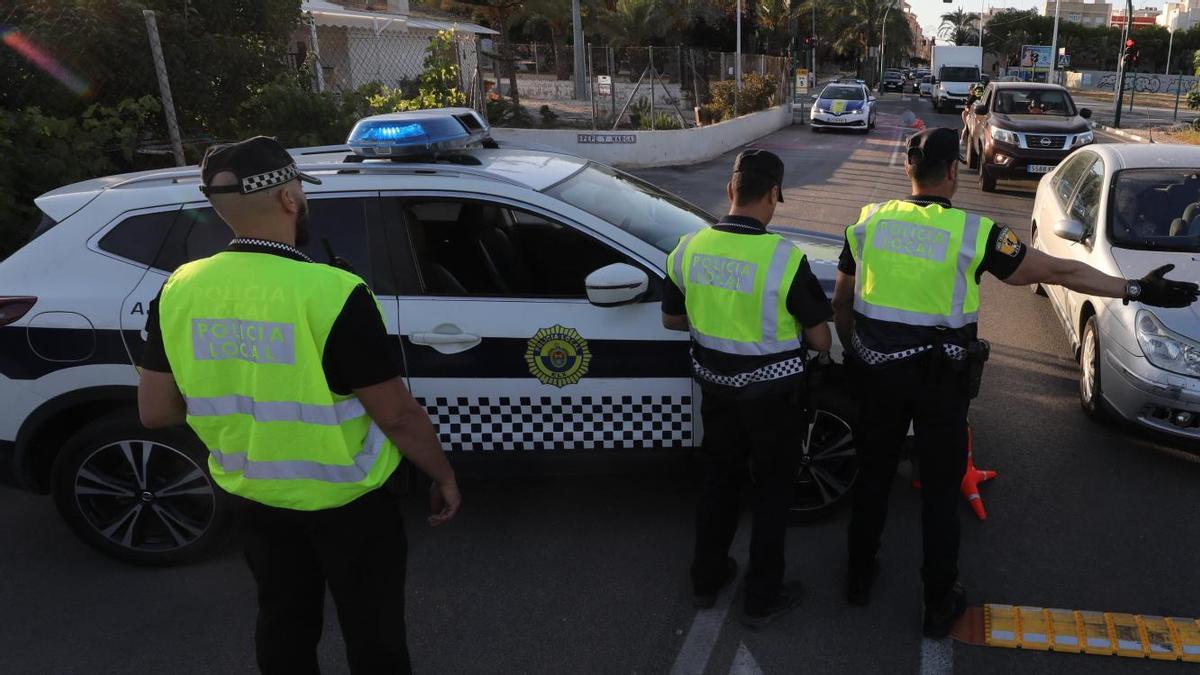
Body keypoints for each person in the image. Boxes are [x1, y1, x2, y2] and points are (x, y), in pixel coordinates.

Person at [832, 127, 1199, 638]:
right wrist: (1135, 287)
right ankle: (938, 603)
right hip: (940, 387)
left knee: (872, 477)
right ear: (954, 174)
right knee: (939, 493)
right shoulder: (975, 233)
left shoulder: (866, 223)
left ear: (908, 172)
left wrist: (855, 352)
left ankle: (857, 579)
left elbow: (842, 304)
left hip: (877, 378)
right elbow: (1056, 270)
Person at [137, 136, 462, 674]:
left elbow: (156, 412)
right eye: (301, 194)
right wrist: (443, 475)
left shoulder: (179, 289)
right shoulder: (332, 292)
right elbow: (398, 415)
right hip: (352, 502)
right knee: (373, 632)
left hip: (259, 500)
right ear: (289, 198)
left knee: (283, 625)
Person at [662, 149, 834, 629]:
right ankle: (762, 595)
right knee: (772, 494)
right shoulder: (784, 258)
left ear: (730, 190)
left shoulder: (688, 248)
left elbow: (672, 318)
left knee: (718, 484)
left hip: (716, 393)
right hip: (774, 401)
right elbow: (820, 337)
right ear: (774, 195)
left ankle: (706, 579)